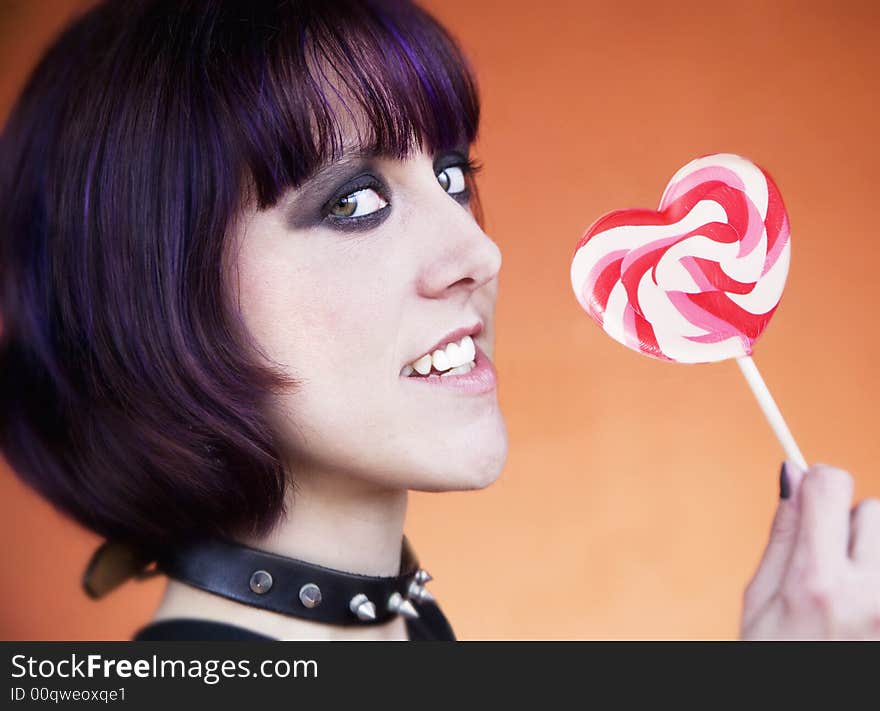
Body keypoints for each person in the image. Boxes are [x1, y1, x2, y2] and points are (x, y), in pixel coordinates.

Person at [1, 0, 877, 642]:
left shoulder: (401, 628)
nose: (480, 252)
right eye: (353, 200)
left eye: (452, 174)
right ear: (148, 301)